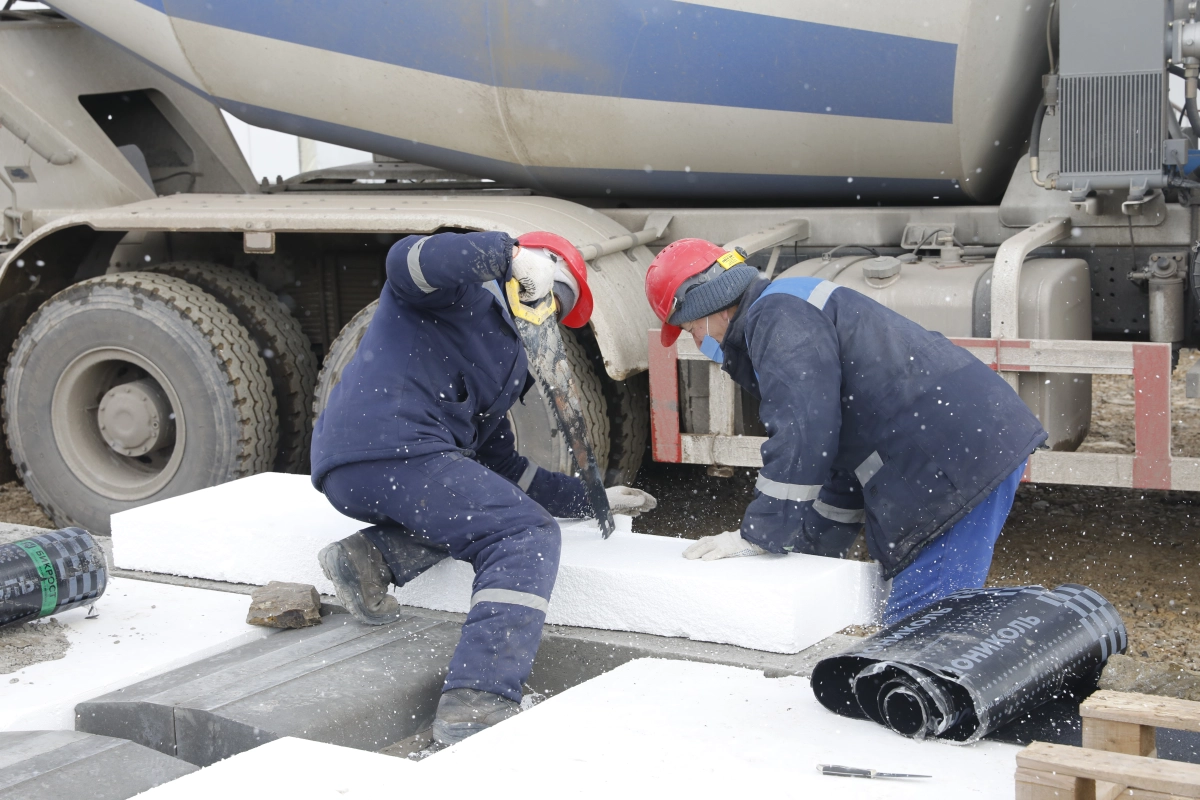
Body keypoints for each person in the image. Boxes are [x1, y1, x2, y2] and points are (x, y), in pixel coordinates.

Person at [311, 230, 656, 745]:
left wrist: (592, 498)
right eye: (552, 295)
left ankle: (369, 560)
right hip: (393, 448)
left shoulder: (508, 362)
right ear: (528, 277)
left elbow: (505, 469)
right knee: (525, 536)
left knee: (489, 509)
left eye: (560, 308)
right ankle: (479, 699)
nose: (552, 313)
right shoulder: (455, 292)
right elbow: (407, 260)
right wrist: (508, 254)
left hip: (369, 465)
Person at [644, 239, 1045, 625]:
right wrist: (813, 547)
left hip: (952, 459)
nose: (698, 343)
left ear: (709, 305)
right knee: (925, 621)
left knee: (920, 632)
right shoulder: (783, 304)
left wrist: (760, 534)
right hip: (960, 440)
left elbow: (804, 433)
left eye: (690, 329)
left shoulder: (776, 319)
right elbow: (838, 451)